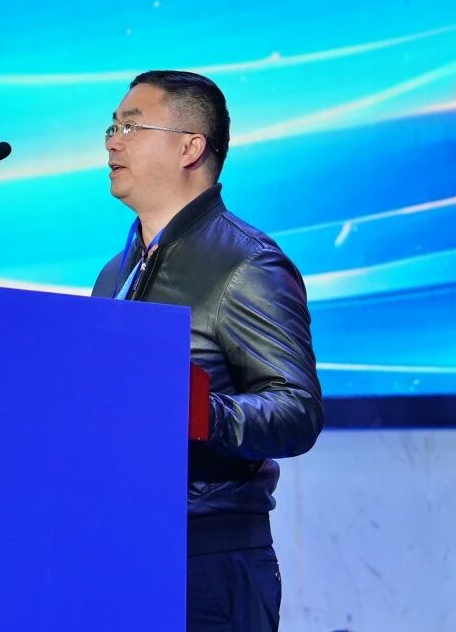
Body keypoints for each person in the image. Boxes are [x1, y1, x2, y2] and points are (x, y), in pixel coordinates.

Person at [92, 70, 324, 631]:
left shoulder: (246, 264)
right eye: (112, 127)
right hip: (116, 546)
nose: (113, 142)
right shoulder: (113, 274)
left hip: (206, 560)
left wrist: (202, 413)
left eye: (131, 126)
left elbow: (298, 411)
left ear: (190, 148)